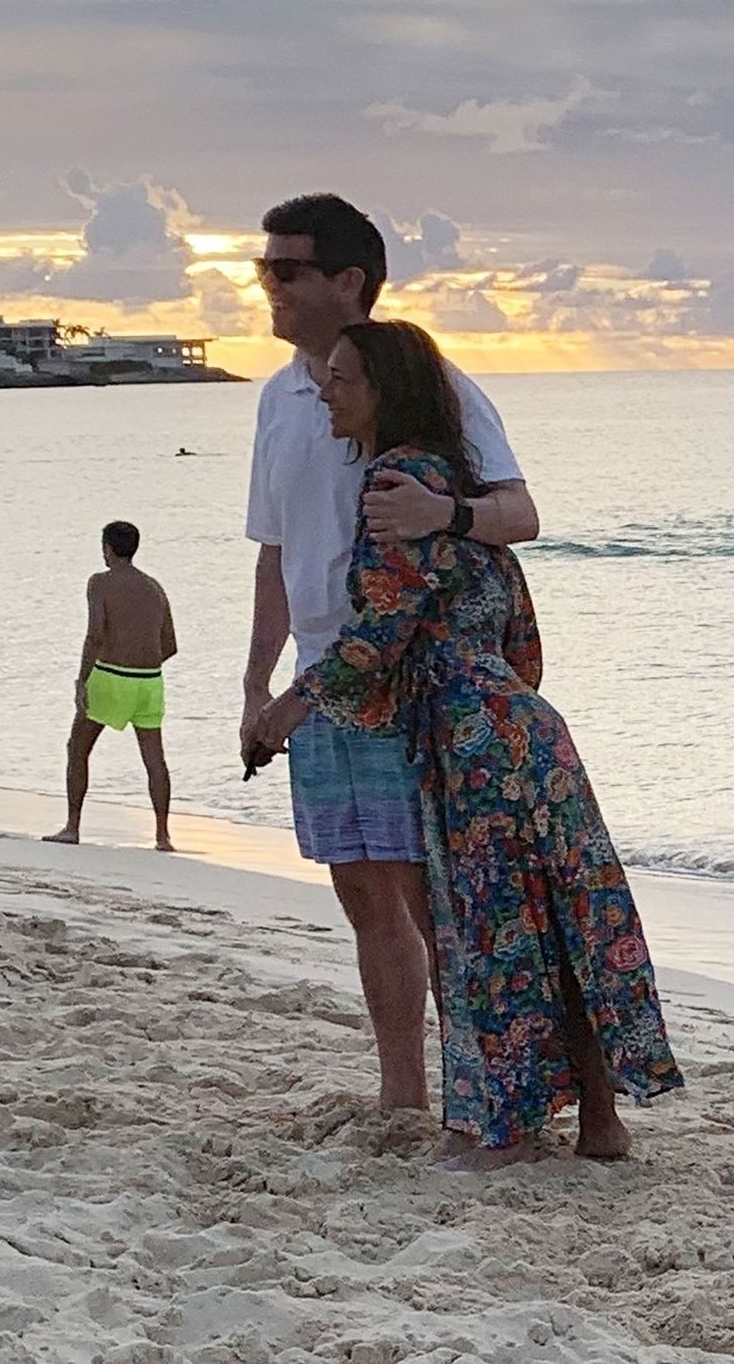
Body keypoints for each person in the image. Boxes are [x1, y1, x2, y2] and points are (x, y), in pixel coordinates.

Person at [254, 321, 682, 1165]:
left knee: (485, 934)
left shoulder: (395, 485)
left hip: (469, 740)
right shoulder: (457, 485)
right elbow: (521, 629)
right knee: (561, 922)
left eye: (343, 380)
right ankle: (600, 1121)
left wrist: (286, 709)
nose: (326, 393)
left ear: (386, 391)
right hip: (528, 725)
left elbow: (378, 635)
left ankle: (503, 1130)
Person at [239, 192, 540, 1116]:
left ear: (349, 281)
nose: (267, 285)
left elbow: (519, 514)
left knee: (434, 902)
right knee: (364, 899)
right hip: (318, 682)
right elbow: (276, 551)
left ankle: (480, 1098)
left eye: (286, 270)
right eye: (263, 268)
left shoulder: (431, 383)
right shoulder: (281, 397)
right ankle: (402, 1094)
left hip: (412, 685)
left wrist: (446, 513)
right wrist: (255, 683)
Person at [44, 521, 178, 851]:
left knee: (78, 748)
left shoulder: (100, 582)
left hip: (110, 677)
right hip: (149, 682)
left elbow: (95, 635)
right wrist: (140, 664)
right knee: (155, 759)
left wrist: (82, 680)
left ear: (107, 549)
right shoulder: (155, 587)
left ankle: (72, 827)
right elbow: (170, 645)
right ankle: (163, 835)